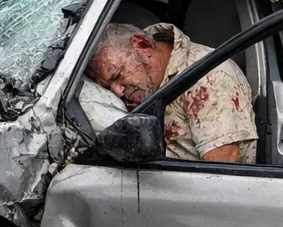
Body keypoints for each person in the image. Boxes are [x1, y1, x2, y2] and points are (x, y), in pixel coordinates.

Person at [86, 21, 257, 164]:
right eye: (108, 87)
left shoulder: (209, 78)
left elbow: (220, 173)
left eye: (117, 75)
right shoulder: (146, 81)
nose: (116, 91)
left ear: (143, 46)